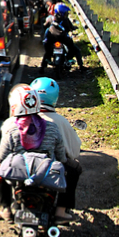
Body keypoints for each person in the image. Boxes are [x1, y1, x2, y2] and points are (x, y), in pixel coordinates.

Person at [0, 85, 67, 221]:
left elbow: (0, 158)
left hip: (17, 177)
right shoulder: (52, 128)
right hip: (46, 176)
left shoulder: (12, 129)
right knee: (70, 169)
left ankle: (5, 208)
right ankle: (61, 211)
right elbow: (61, 156)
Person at [30, 77, 82, 222]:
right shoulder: (60, 121)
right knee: (74, 168)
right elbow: (74, 151)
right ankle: (61, 210)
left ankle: (6, 208)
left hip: (25, 166)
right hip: (49, 167)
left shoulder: (22, 118)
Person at [42, 4, 85, 71]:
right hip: (63, 39)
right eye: (65, 13)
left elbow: (44, 26)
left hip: (52, 39)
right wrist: (73, 28)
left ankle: (42, 67)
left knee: (47, 52)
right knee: (76, 50)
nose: (66, 14)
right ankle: (81, 66)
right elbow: (71, 27)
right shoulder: (65, 20)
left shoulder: (51, 18)